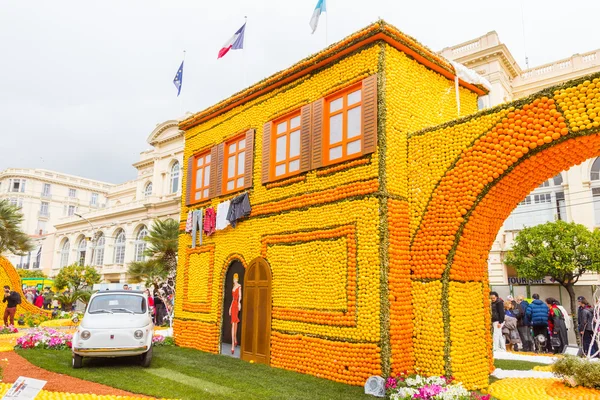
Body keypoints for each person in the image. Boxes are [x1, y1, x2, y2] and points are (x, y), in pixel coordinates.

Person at [229, 273, 242, 355]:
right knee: (234, 324)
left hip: (236, 305)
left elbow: (240, 296)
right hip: (233, 304)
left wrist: (239, 303)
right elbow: (232, 299)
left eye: (236, 279)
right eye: (234, 279)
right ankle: (235, 340)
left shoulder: (239, 286)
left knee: (234, 324)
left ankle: (233, 345)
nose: (235, 280)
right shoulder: (233, 287)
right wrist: (230, 307)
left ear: (238, 279)